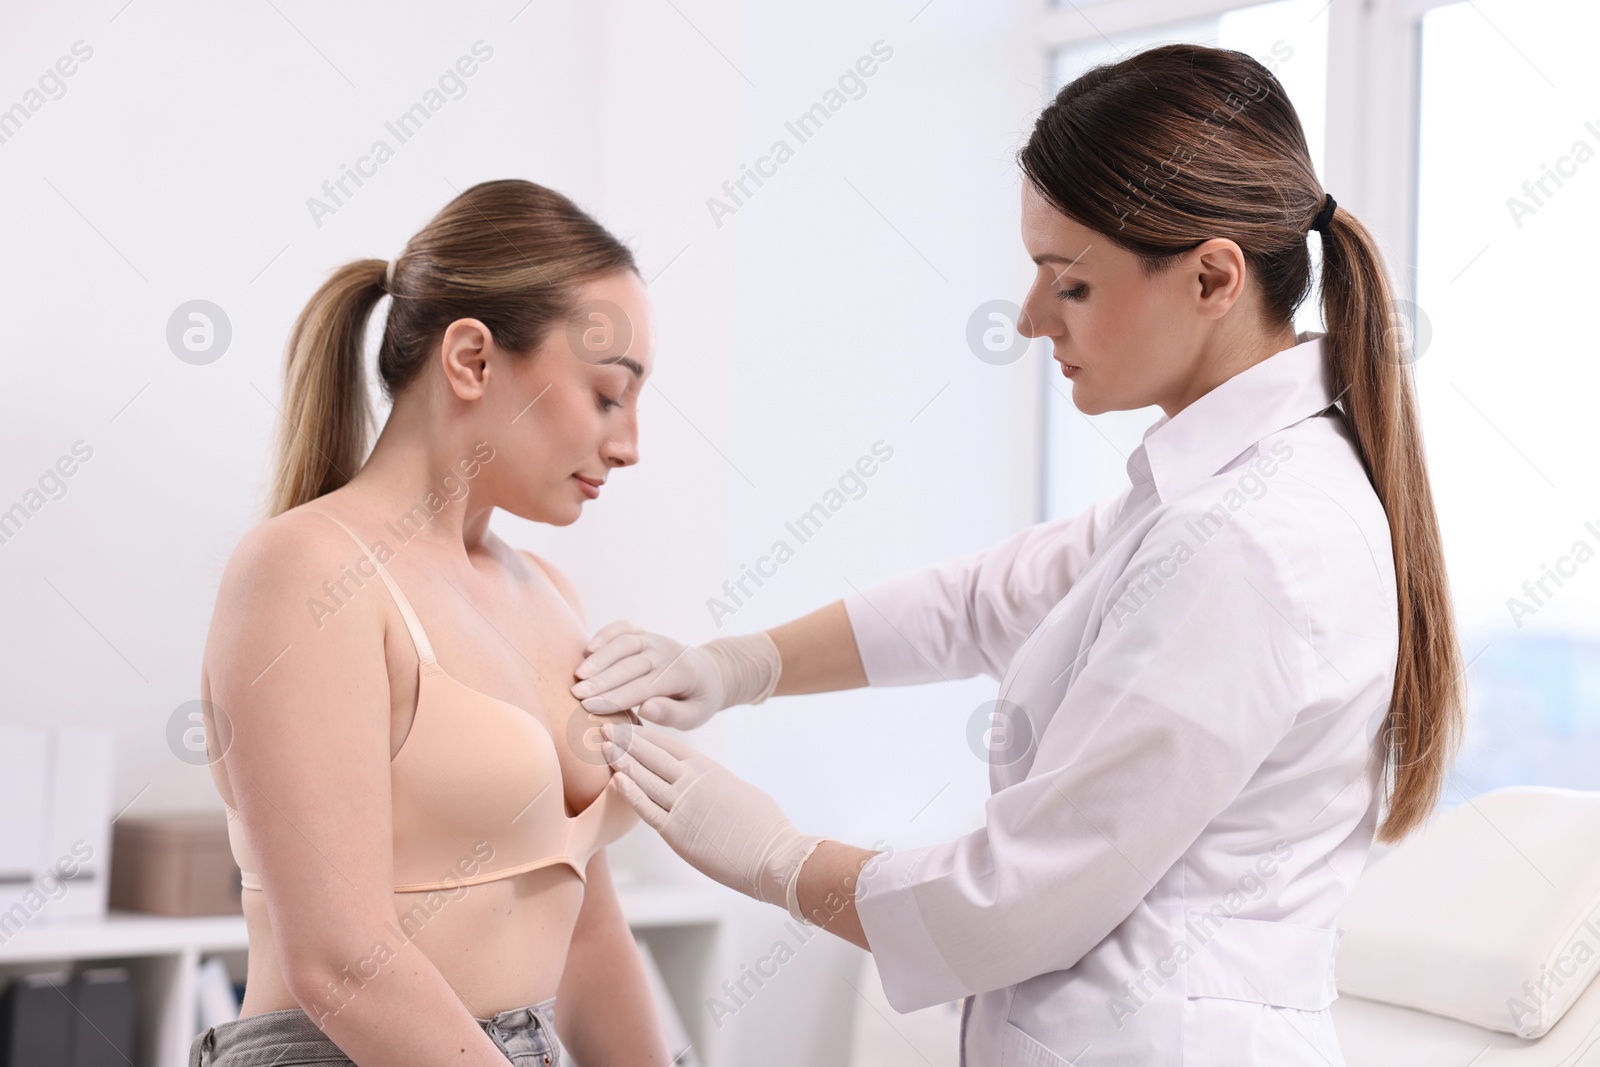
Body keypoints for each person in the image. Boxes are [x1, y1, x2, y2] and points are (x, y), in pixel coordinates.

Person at [575, 43, 1464, 1065]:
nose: (1032, 318)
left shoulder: (1249, 540)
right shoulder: (1213, 491)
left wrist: (776, 857)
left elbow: (1013, 899)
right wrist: (739, 664)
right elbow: (979, 601)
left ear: (1213, 275)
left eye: (1069, 284)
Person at [192, 179, 669, 1066]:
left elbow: (589, 929)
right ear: (472, 360)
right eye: (608, 395)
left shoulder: (553, 593)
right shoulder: (305, 570)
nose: (629, 442)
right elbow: (341, 963)